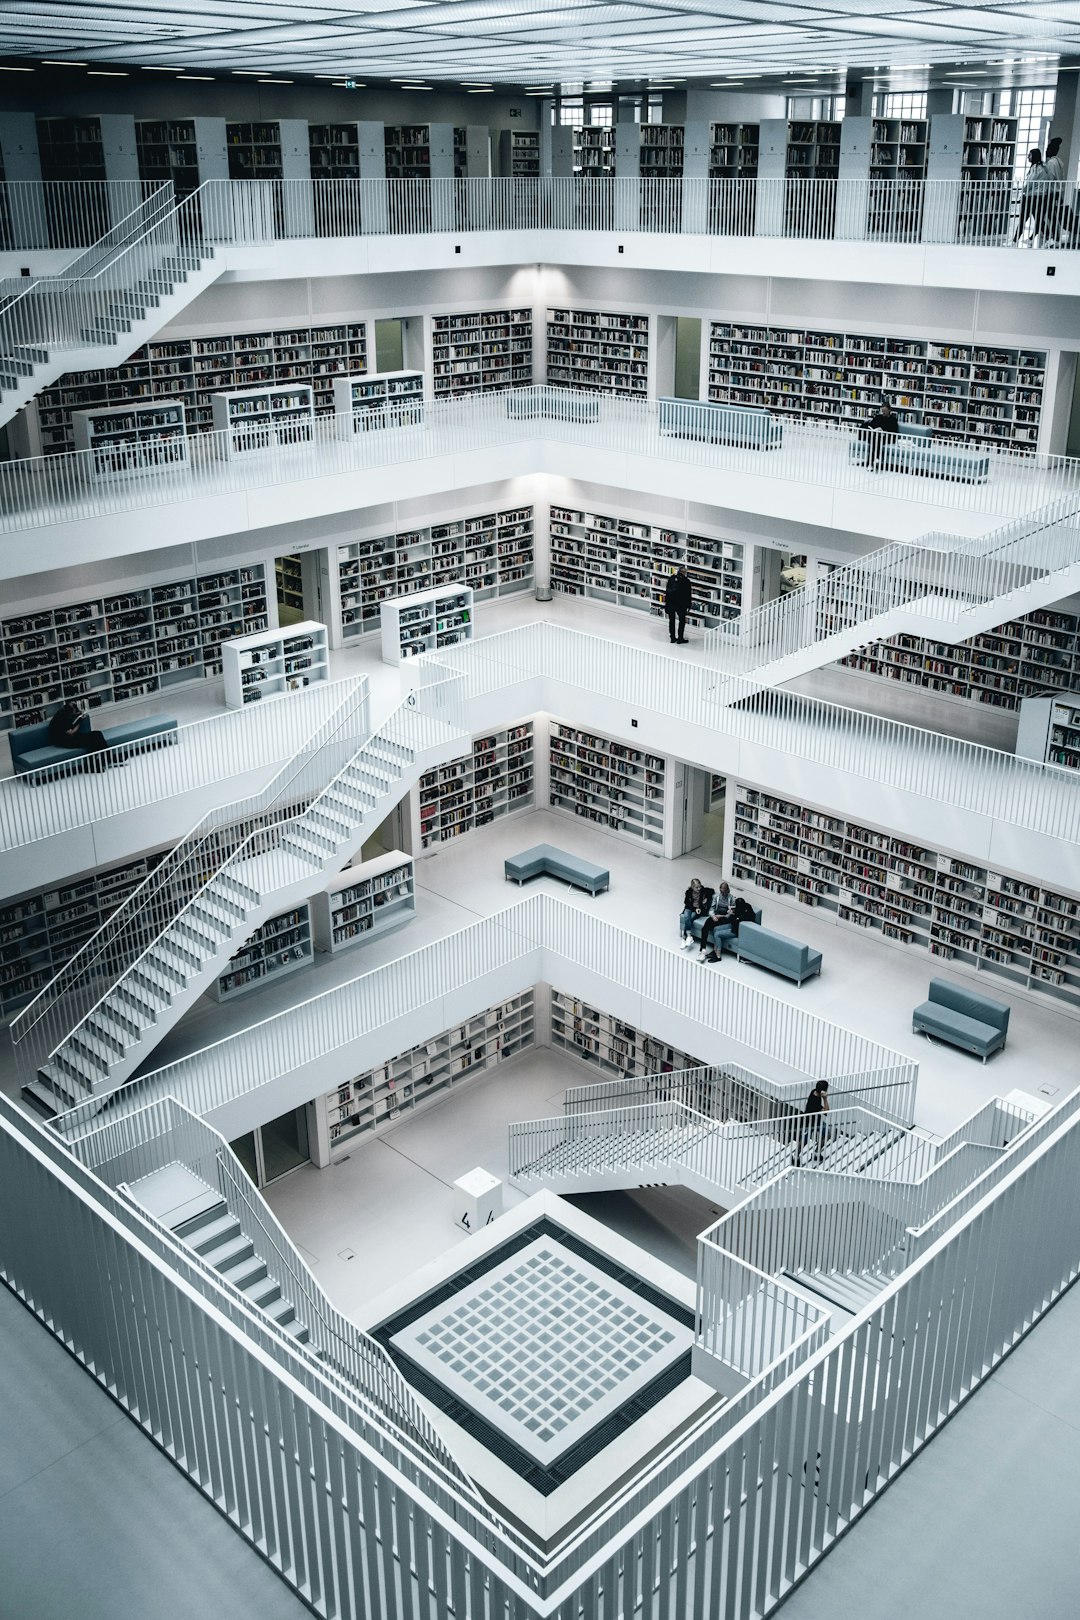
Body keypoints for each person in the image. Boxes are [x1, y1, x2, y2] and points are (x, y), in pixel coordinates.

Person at [46, 700, 110, 770]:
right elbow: (71, 732)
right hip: (65, 741)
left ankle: (105, 759)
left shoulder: (63, 714)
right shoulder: (60, 720)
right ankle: (93, 764)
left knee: (98, 734)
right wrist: (79, 722)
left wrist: (79, 717)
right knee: (93, 740)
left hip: (70, 737)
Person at [1016, 149, 1050, 245]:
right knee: (1039, 219)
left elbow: (1030, 183)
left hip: (1032, 197)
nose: (1028, 157)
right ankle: (1047, 236)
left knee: (1023, 219)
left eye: (1030, 155)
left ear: (1034, 156)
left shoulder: (1036, 168)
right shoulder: (1043, 168)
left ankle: (1015, 240)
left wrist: (1022, 192)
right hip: (1040, 196)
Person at [792, 1080, 830, 1167]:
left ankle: (817, 1152)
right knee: (804, 1141)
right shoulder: (814, 1101)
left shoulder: (814, 1091)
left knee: (827, 1134)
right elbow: (826, 1112)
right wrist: (825, 1099)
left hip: (817, 1121)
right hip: (808, 1123)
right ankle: (795, 1156)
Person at [1043, 137, 1072, 242]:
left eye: (1048, 149)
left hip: (1052, 192)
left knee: (1051, 216)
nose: (1046, 151)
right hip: (1058, 192)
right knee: (1052, 215)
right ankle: (1054, 236)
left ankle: (1054, 236)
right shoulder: (1059, 162)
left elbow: (1050, 178)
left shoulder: (1051, 163)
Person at [699, 880, 734, 961]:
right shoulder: (716, 897)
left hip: (725, 918)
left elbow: (731, 914)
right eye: (721, 892)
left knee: (716, 929)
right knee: (705, 927)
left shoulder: (731, 898)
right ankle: (702, 949)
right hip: (716, 916)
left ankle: (716, 952)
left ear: (727, 890)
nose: (723, 894)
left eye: (724, 892)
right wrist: (713, 915)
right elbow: (712, 909)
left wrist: (724, 915)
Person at [865, 397, 899, 470]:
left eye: (885, 411)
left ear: (889, 410)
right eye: (882, 411)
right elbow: (871, 425)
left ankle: (870, 463)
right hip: (876, 436)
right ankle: (875, 458)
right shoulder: (878, 417)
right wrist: (873, 429)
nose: (883, 412)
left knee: (875, 441)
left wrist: (883, 431)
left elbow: (894, 431)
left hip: (887, 437)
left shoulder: (893, 420)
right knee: (874, 440)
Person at [679, 877, 713, 948]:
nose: (698, 889)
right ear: (692, 887)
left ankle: (684, 938)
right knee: (686, 916)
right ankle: (688, 936)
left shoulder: (703, 890)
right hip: (690, 908)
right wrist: (695, 908)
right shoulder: (688, 892)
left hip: (699, 910)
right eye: (696, 887)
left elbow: (712, 891)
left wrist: (706, 898)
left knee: (690, 918)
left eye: (699, 887)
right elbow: (687, 903)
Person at [665, 565, 692, 645]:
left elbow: (667, 591)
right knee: (682, 621)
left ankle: (672, 638)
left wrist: (666, 604)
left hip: (671, 603)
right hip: (681, 604)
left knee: (672, 620)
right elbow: (688, 595)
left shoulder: (671, 578)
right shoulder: (686, 581)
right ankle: (680, 638)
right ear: (684, 573)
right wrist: (688, 605)